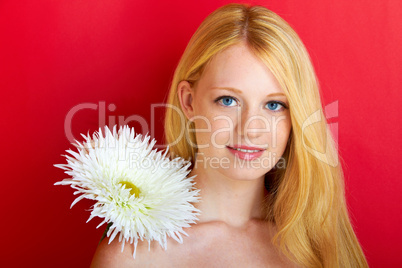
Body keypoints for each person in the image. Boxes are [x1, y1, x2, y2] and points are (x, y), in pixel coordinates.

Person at [91, 3, 368, 267]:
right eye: (228, 101)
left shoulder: (322, 249)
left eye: (274, 105)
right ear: (188, 102)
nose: (250, 128)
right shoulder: (132, 255)